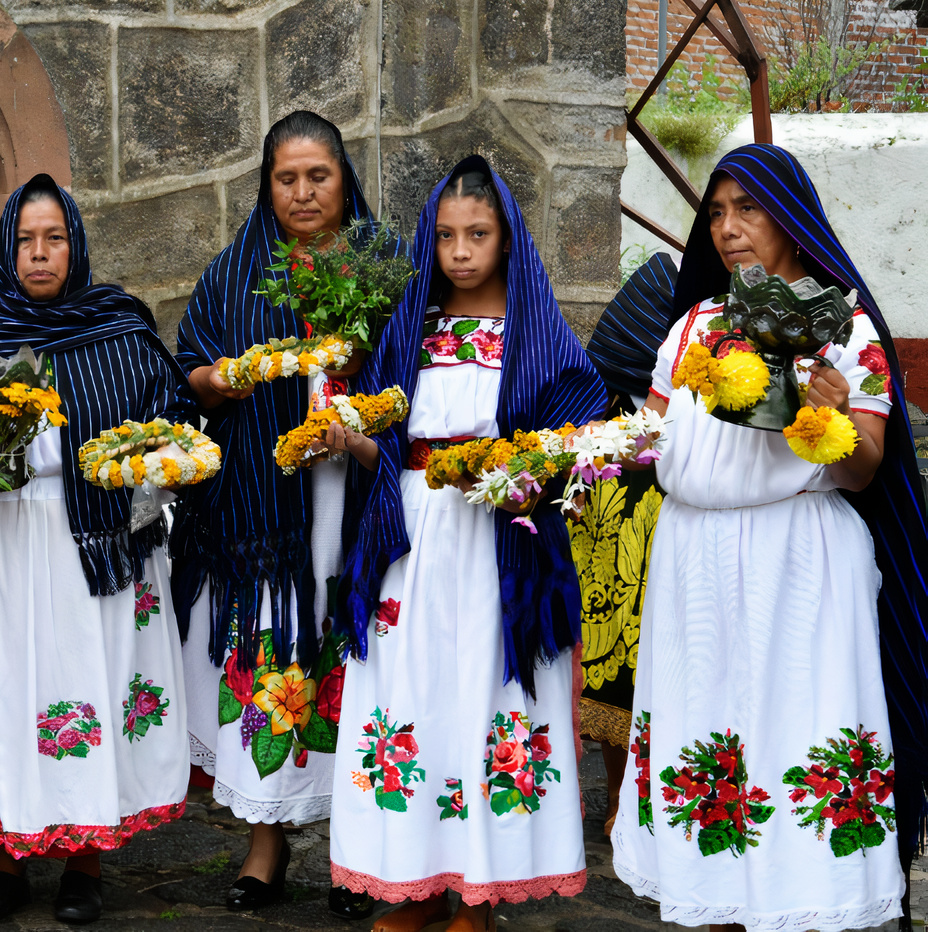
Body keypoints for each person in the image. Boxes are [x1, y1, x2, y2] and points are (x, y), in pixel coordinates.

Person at [610, 144, 928, 931]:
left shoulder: (845, 329)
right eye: (716, 213)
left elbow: (862, 471)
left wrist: (822, 412)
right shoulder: (690, 326)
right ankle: (718, 910)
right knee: (706, 730)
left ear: (791, 221)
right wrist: (562, 459)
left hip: (800, 561)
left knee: (796, 725)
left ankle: (806, 910)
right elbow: (646, 436)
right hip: (694, 561)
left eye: (747, 210)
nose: (728, 229)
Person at [328, 156, 605, 932]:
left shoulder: (537, 334)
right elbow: (390, 447)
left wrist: (531, 474)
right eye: (446, 235)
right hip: (412, 542)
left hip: (496, 549)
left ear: (507, 239)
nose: (459, 250)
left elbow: (576, 433)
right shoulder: (406, 332)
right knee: (411, 695)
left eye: (477, 233)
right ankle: (410, 885)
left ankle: (476, 895)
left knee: (483, 700)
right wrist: (351, 442)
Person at [0, 174, 192, 925]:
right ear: (8, 249)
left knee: (87, 689)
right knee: (5, 686)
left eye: (55, 238)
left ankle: (84, 863)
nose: (40, 255)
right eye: (26, 241)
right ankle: (6, 861)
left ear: (76, 243)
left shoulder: (120, 328)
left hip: (94, 548)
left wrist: (156, 463)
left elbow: (172, 419)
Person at [173, 110, 396, 918]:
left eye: (319, 176)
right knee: (278, 661)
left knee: (350, 662)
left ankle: (354, 851)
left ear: (345, 180)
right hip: (264, 506)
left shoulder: (388, 267)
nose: (303, 193)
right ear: (267, 186)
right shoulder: (235, 271)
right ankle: (266, 845)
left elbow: (419, 378)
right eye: (286, 178)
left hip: (358, 491)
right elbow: (186, 367)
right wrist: (215, 383)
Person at [568, 252, 678, 834]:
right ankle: (620, 798)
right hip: (608, 583)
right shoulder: (599, 408)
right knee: (612, 689)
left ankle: (651, 800)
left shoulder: (691, 411)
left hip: (666, 573)